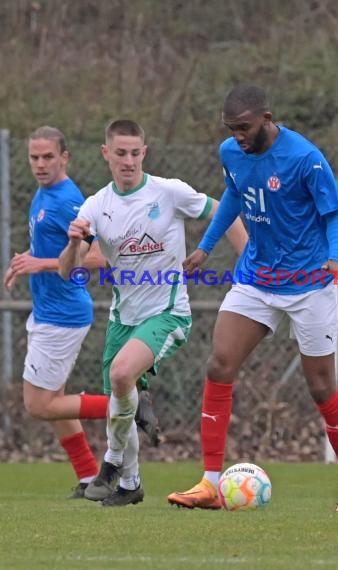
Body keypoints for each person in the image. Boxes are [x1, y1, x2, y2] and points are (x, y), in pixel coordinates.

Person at [167, 84, 338, 514]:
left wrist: (335, 260)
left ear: (266, 117)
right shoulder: (231, 153)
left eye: (244, 128)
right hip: (257, 278)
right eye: (231, 129)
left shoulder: (305, 158)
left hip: (309, 282)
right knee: (219, 363)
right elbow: (234, 198)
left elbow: (334, 215)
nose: (238, 136)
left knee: (321, 387)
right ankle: (208, 483)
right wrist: (205, 247)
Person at [58, 119, 248, 507]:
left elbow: (223, 211)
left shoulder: (169, 192)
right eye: (120, 153)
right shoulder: (95, 206)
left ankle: (110, 462)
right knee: (120, 398)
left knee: (122, 374)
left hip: (168, 313)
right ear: (105, 153)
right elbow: (69, 271)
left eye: (135, 152)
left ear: (144, 152)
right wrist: (74, 242)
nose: (128, 160)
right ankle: (131, 484)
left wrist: (249, 263)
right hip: (121, 319)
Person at [3, 126, 106, 498]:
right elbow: (50, 250)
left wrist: (40, 265)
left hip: (62, 314)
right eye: (34, 157)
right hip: (48, 311)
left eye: (48, 157)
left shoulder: (68, 201)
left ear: (64, 158)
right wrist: (26, 262)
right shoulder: (44, 193)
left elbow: (97, 256)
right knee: (56, 402)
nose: (41, 164)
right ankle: (88, 476)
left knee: (39, 404)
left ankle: (126, 406)